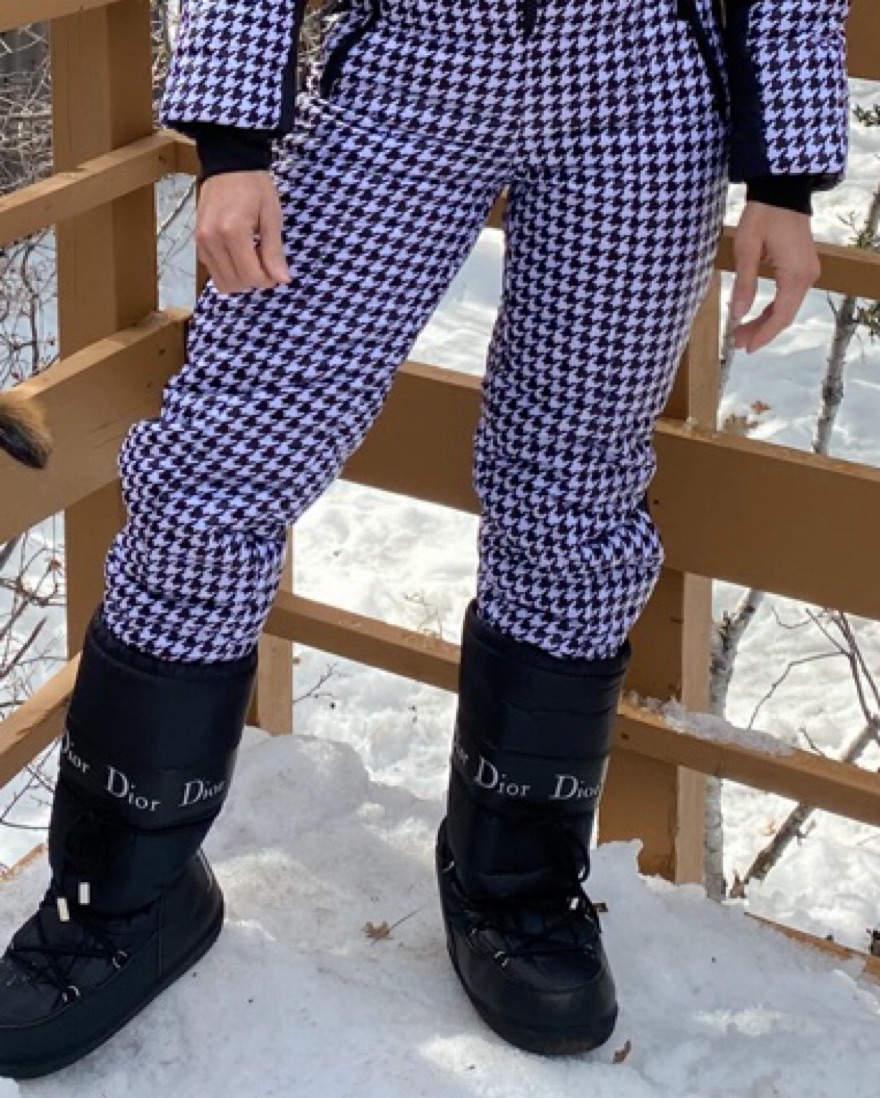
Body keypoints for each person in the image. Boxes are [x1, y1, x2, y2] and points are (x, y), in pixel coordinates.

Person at [0, 0, 851, 1078]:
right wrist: (233, 142)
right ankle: (119, 891)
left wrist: (784, 176)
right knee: (215, 471)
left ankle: (514, 884)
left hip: (646, 83)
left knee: (575, 499)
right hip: (413, 59)